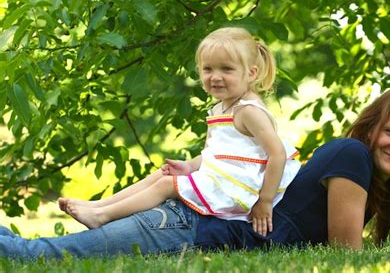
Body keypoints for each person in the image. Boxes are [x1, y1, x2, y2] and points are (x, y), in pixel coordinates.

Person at [0, 87, 390, 258]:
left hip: (187, 226)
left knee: (34, 253)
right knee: (31, 256)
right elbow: (347, 254)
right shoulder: (350, 155)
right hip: (184, 228)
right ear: (374, 129)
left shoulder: (374, 186)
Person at [58, 27, 301, 236]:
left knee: (167, 185)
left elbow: (277, 154)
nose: (215, 77)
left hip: (241, 190)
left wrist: (265, 201)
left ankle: (102, 216)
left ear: (251, 73)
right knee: (162, 176)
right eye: (208, 69)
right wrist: (189, 166)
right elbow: (216, 155)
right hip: (226, 177)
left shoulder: (249, 111)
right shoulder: (221, 107)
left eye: (226, 69)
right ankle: (99, 206)